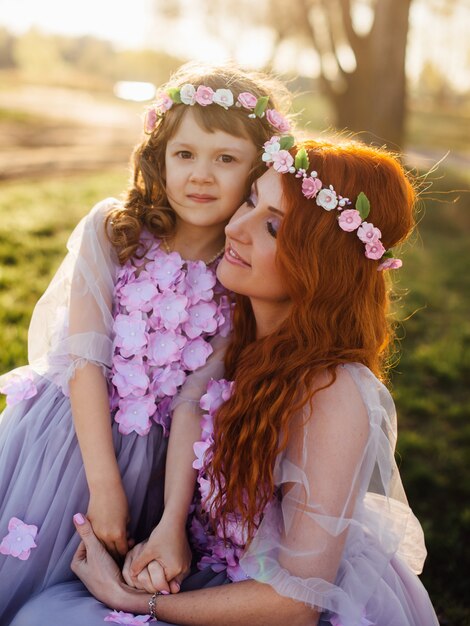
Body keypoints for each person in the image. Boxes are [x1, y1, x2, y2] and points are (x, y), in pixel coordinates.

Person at [10, 137, 440, 625]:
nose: (235, 227)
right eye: (252, 200)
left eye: (273, 228)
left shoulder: (333, 393)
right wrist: (168, 531)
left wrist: (135, 601)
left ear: (323, 265)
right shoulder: (230, 337)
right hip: (204, 572)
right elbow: (189, 409)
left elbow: (296, 605)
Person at [0, 62, 293, 624]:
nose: (200, 176)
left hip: (161, 466)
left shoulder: (241, 272)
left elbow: (195, 399)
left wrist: (169, 519)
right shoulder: (114, 230)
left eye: (225, 159)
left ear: (257, 171)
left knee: (104, 578)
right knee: (31, 562)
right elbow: (84, 360)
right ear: (158, 157)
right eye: (185, 154)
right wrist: (104, 486)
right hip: (68, 440)